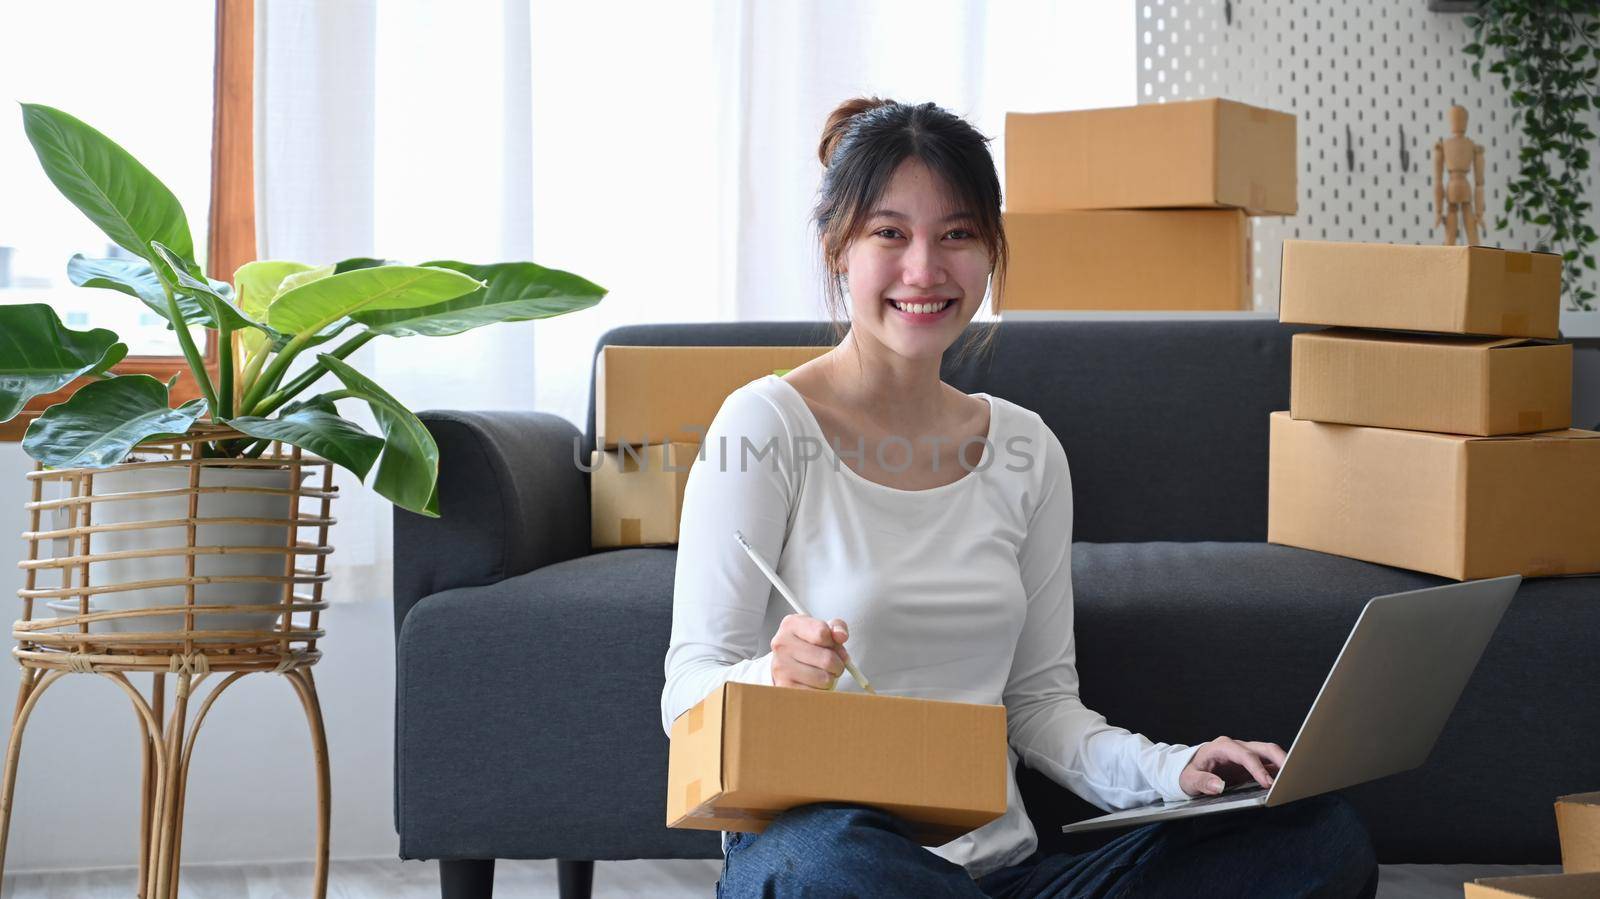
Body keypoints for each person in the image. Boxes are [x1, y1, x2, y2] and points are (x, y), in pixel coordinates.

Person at [660, 96, 1379, 898]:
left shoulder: (1027, 448)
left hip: (1003, 875)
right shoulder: (762, 425)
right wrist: (771, 675)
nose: (924, 269)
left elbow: (1040, 706)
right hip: (843, 866)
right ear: (838, 248)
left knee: (1318, 838)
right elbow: (685, 688)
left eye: (957, 234)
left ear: (991, 251)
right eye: (889, 233)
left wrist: (1172, 769)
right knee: (826, 861)